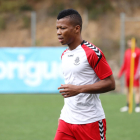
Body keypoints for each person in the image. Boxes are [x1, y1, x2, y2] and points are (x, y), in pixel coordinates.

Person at [54, 9, 115, 140]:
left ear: (77, 28)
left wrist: (79, 89)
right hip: (66, 119)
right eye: (57, 28)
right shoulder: (65, 54)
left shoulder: (92, 52)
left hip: (90, 121)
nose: (58, 32)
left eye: (63, 28)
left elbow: (110, 83)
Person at [118, 39, 140, 113]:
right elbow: (124, 63)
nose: (129, 44)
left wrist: (138, 73)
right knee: (128, 90)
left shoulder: (138, 51)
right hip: (127, 74)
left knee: (136, 90)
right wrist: (121, 73)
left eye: (131, 42)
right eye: (129, 43)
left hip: (135, 74)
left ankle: (137, 105)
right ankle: (128, 105)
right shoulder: (127, 52)